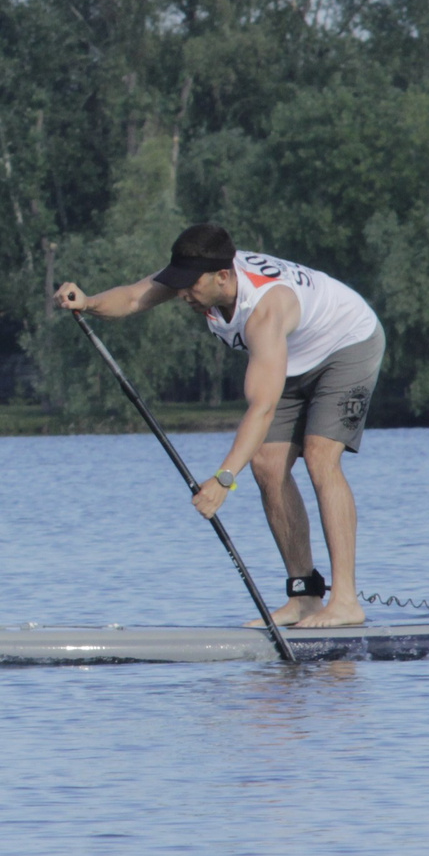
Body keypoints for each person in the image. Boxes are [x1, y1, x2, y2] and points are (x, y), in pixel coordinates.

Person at [55, 223, 384, 629]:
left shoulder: (264, 309)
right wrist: (87, 302)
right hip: (289, 359)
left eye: (190, 286)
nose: (182, 293)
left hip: (347, 344)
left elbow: (261, 408)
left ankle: (346, 601)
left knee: (320, 458)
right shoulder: (201, 271)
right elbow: (134, 297)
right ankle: (305, 598)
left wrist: (224, 479)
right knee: (266, 464)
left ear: (223, 277)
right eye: (179, 283)